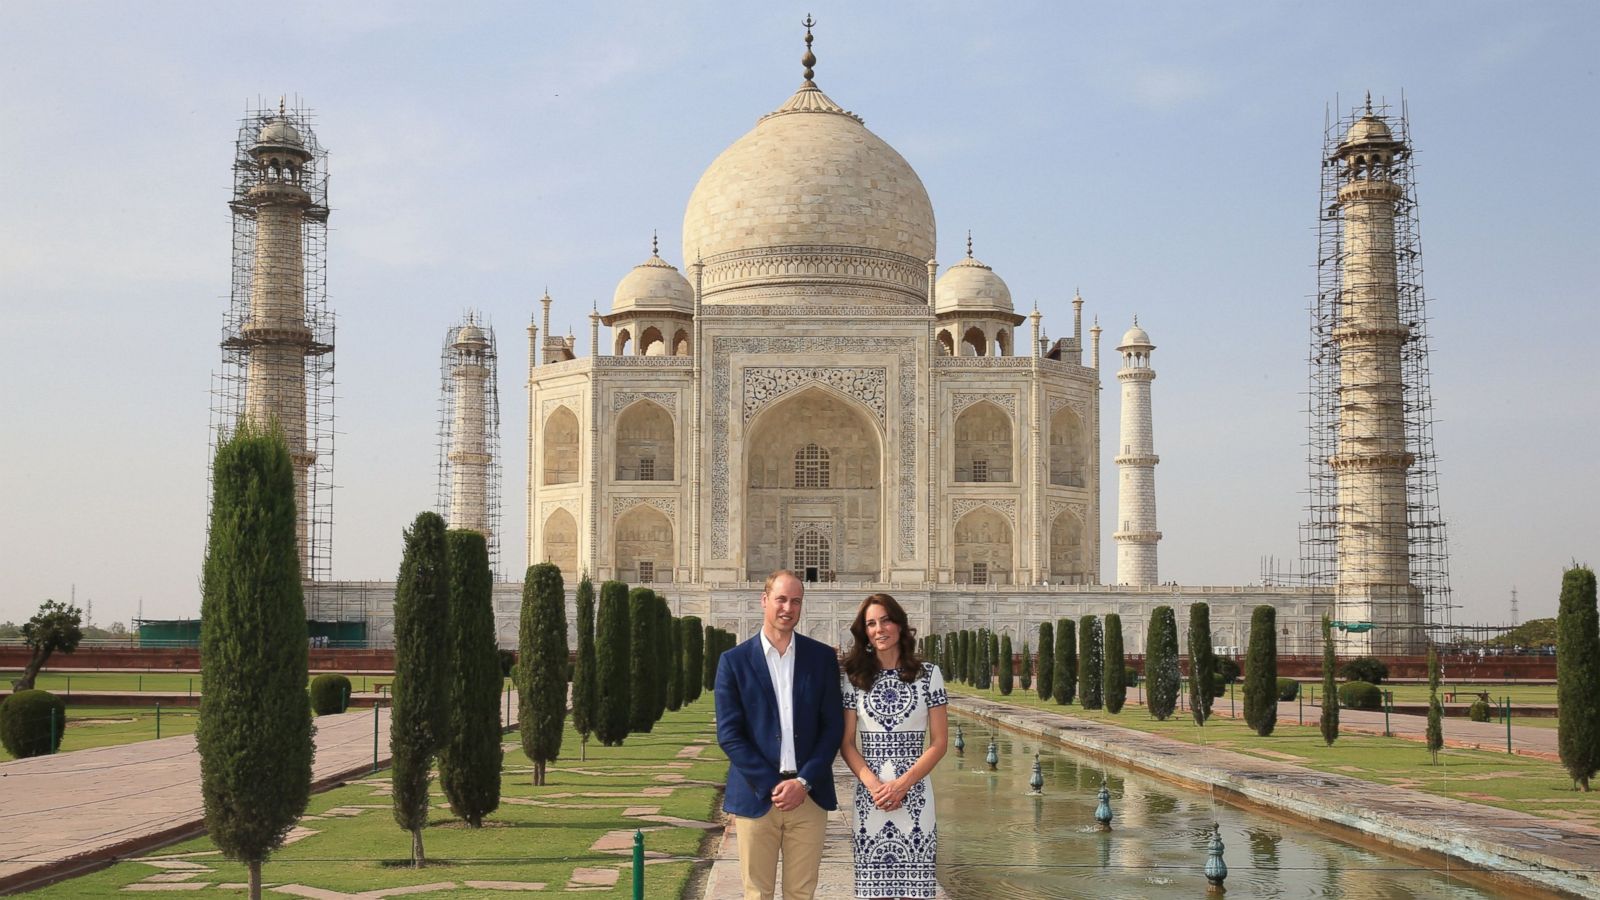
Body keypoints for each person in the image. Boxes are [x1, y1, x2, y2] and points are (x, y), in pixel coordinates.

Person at [714, 569, 845, 900]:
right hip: (758, 795)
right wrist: (774, 784)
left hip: (808, 796)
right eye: (781, 599)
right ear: (764, 600)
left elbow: (832, 728)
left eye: (796, 601)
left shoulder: (821, 658)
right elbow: (730, 734)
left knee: (802, 893)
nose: (788, 608)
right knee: (757, 893)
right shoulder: (734, 661)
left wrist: (802, 783)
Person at [839, 593, 949, 900]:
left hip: (914, 795)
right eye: (871, 624)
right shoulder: (854, 678)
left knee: (916, 892)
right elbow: (847, 743)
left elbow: (939, 743)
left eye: (885, 620)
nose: (879, 629)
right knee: (875, 892)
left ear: (900, 625)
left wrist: (902, 785)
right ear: (865, 633)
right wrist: (875, 786)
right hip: (871, 797)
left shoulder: (928, 675)